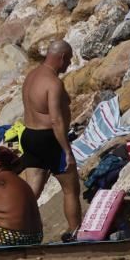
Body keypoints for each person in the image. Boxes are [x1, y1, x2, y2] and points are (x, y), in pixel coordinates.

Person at [20, 39, 82, 240]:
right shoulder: (53, 83)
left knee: (31, 193)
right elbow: (56, 120)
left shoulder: (31, 76)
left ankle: (16, 229)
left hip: (29, 135)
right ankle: (74, 232)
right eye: (69, 60)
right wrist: (67, 151)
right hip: (49, 138)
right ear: (61, 58)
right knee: (71, 188)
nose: (69, 64)